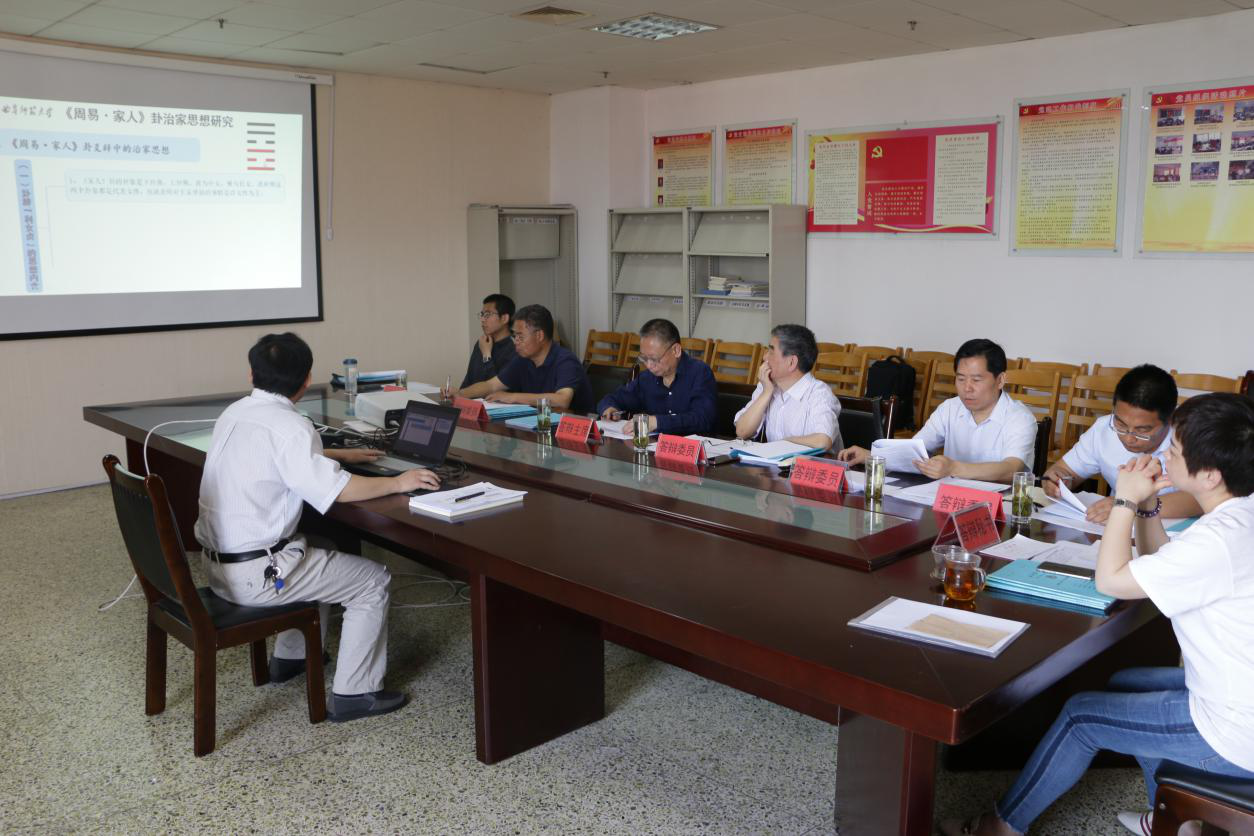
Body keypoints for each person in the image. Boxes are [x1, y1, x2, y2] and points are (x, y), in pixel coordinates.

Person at [940, 393, 1254, 836]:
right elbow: (1157, 562)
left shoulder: (1215, 541)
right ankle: (1170, 819)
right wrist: (1146, 504)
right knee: (1125, 681)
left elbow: (1111, 581)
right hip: (1238, 698)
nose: (1164, 454)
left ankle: (1001, 825)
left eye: (1175, 449)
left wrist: (1123, 502)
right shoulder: (1239, 515)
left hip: (1235, 735)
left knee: (1080, 716)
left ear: (1210, 474)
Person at [195, 333, 440, 723]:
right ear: (307, 380)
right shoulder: (292, 426)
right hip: (257, 575)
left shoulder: (235, 412)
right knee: (372, 580)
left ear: (251, 374)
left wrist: (336, 454)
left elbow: (272, 455)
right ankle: (355, 694)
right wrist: (399, 482)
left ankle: (291, 658)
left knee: (323, 545)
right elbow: (340, 491)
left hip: (218, 567)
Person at [839, 338, 1036, 482]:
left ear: (1000, 380)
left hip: (1001, 507)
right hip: (950, 499)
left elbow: (1012, 469)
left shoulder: (1020, 417)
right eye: (960, 379)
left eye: (976, 380)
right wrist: (870, 456)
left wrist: (953, 468)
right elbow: (914, 451)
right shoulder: (950, 408)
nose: (967, 388)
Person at [1043, 364, 1202, 523]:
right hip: (1118, 527)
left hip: (1178, 531)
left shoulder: (1192, 438)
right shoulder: (1103, 429)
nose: (1128, 438)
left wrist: (1129, 505)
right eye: (1121, 425)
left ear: (1170, 419)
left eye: (1142, 430)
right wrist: (1056, 481)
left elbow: (1199, 499)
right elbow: (1065, 469)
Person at [455, 303, 595, 414]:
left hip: (575, 432)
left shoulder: (565, 360)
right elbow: (491, 385)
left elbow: (562, 400)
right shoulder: (523, 359)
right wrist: (459, 394)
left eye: (520, 337)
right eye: (514, 336)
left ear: (539, 336)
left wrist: (512, 397)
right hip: (539, 423)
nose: (515, 341)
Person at [597, 318, 717, 436]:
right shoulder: (646, 378)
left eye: (654, 359)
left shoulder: (700, 373)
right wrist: (609, 408)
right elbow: (614, 398)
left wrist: (657, 422)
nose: (649, 365)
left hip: (695, 446)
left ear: (676, 350)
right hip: (655, 446)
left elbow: (703, 418)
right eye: (644, 358)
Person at [733, 324, 842, 451]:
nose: (764, 357)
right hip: (779, 462)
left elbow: (822, 442)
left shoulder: (819, 393)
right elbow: (742, 431)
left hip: (810, 463)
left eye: (771, 351)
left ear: (791, 362)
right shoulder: (767, 385)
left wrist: (783, 443)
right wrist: (766, 392)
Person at [460, 293, 516, 389]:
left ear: (504, 318)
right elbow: (469, 380)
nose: (482, 319)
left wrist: (486, 355)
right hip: (471, 398)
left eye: (487, 315)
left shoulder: (515, 347)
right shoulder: (482, 342)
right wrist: (457, 395)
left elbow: (496, 388)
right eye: (482, 314)